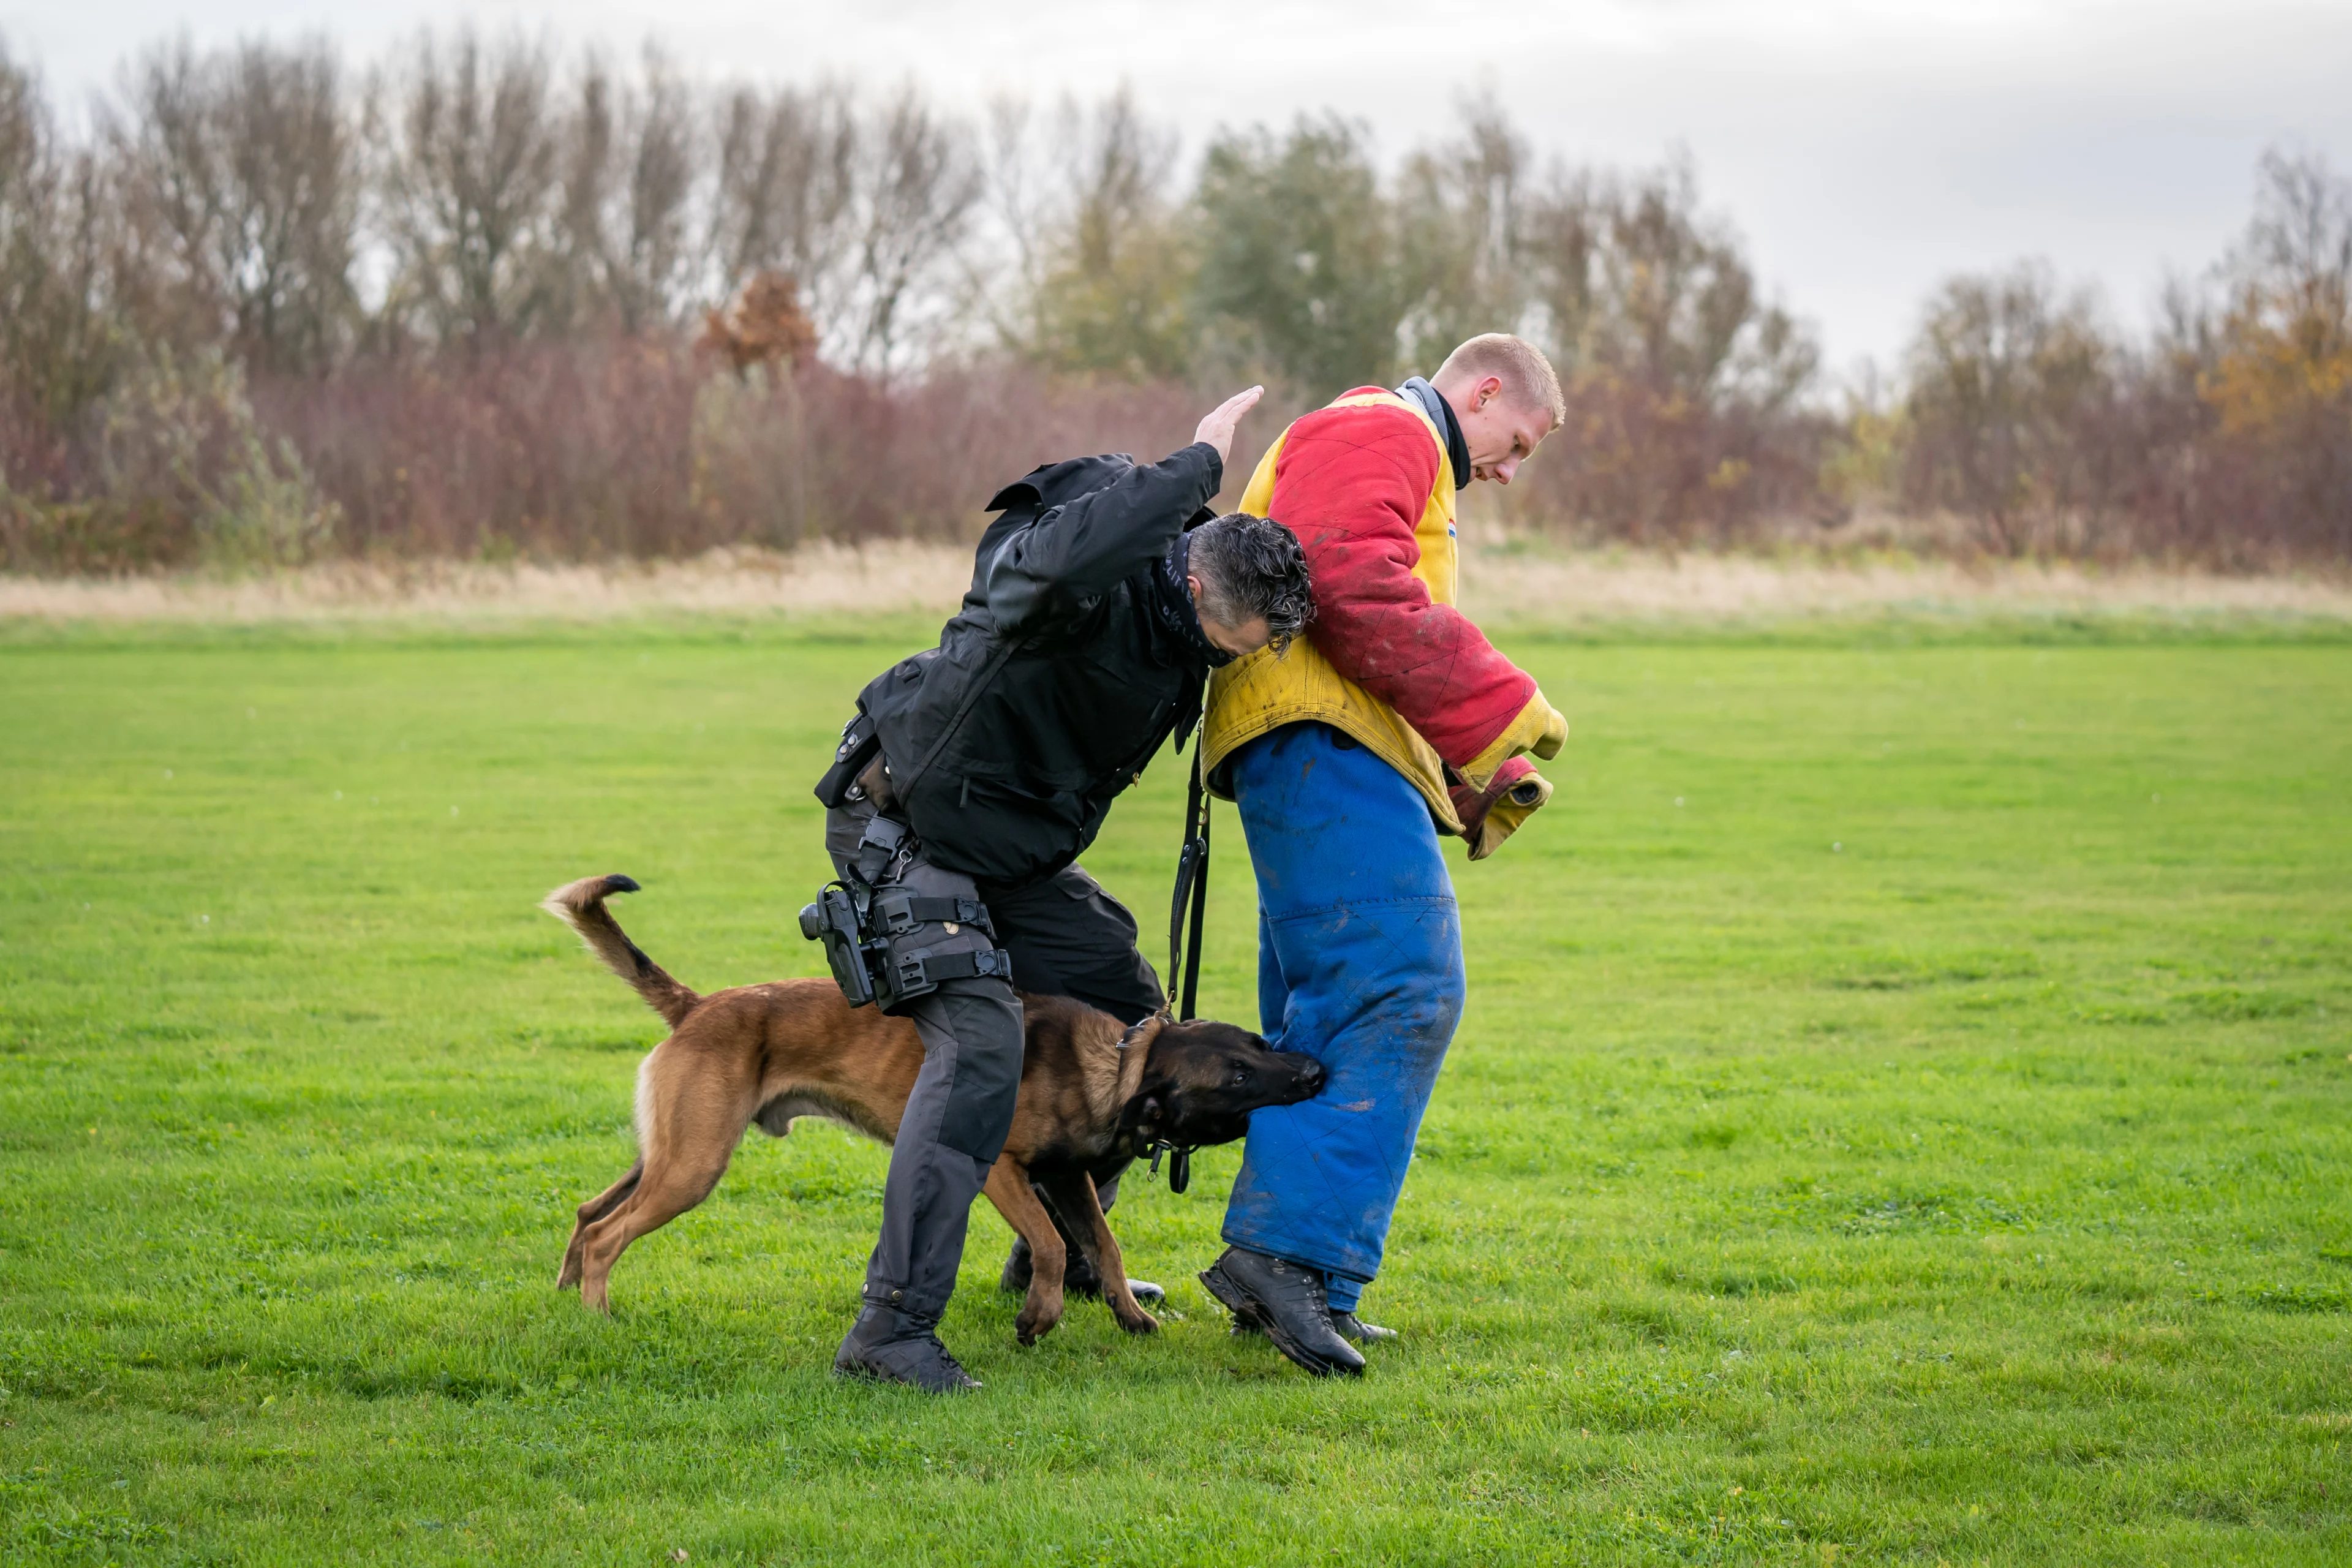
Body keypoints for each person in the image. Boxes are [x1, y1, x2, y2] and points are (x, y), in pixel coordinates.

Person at [818, 385, 1314, 1393]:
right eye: (1248, 643)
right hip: (906, 825)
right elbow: (1061, 554)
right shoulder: (1074, 573)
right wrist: (1195, 467)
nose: (1251, 660)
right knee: (983, 1048)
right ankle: (892, 1331)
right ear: (1200, 594)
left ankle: (1066, 1250)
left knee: (1135, 1017)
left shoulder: (1185, 603)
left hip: (1008, 855)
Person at [1193, 334, 1570, 1377]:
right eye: (1516, 443)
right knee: (1402, 985)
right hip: (1319, 739)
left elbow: (1366, 628)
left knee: (1328, 1010)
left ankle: (1314, 1282)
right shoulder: (1383, 427)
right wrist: (1506, 704)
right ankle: (1285, 1262)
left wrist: (1474, 775)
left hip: (1317, 739)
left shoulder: (1397, 447)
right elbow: (1352, 583)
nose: (1505, 468)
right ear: (1484, 390)